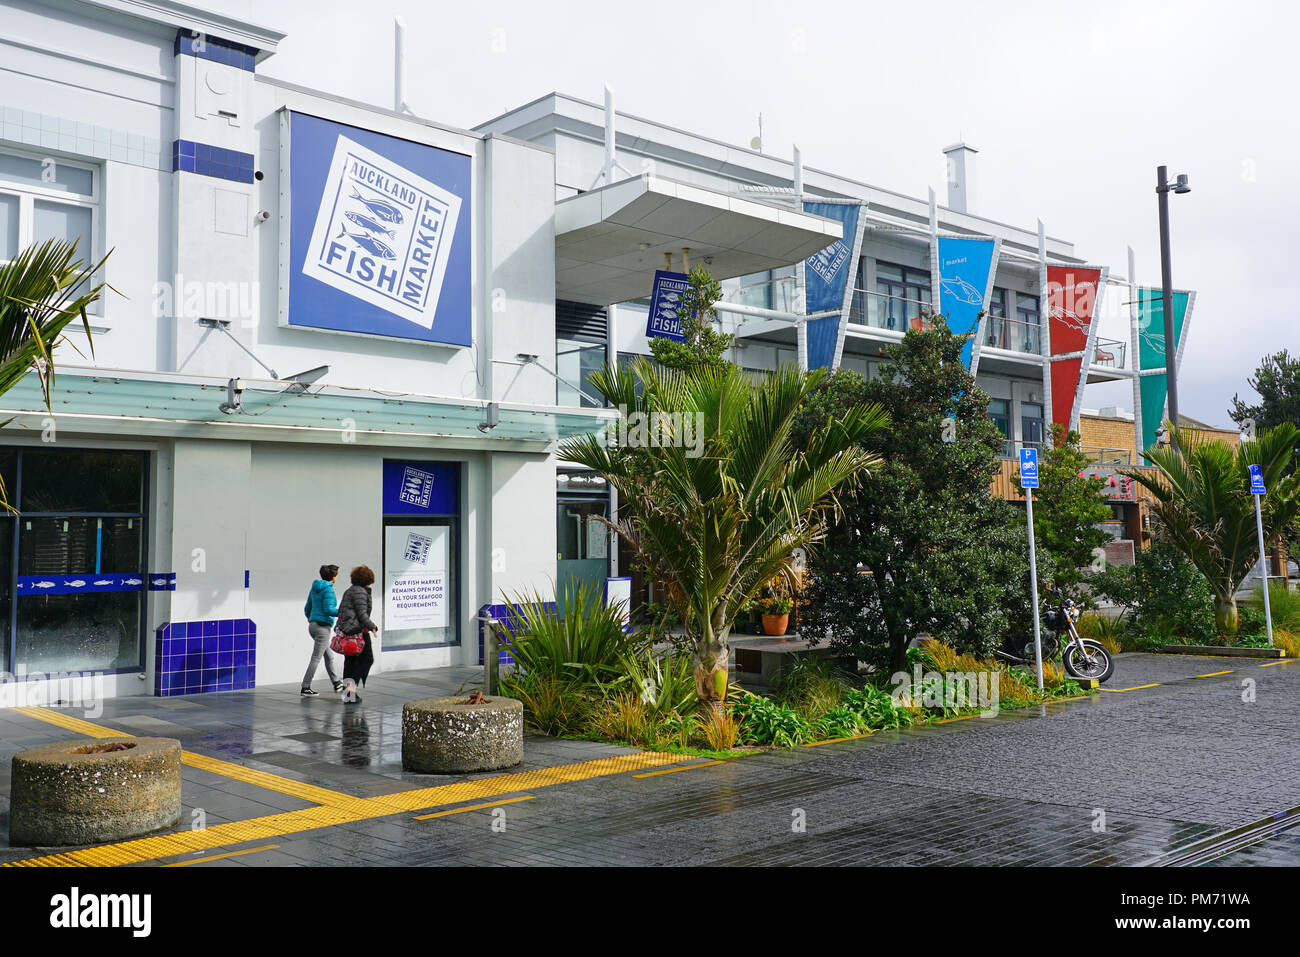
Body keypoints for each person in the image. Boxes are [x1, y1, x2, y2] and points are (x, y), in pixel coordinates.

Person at [335, 564, 378, 704]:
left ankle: (349, 693)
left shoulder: (351, 590)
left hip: (349, 631)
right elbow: (362, 614)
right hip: (357, 631)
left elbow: (342, 610)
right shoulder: (360, 592)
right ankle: (350, 690)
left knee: (351, 662)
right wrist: (372, 626)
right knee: (366, 659)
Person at [301, 564, 343, 697]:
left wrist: (311, 619)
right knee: (316, 658)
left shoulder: (315, 588)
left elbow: (307, 608)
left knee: (329, 655)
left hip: (313, 626)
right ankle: (305, 687)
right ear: (333, 577)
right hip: (322, 627)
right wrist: (343, 612)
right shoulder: (328, 590)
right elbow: (329, 610)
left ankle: (336, 683)